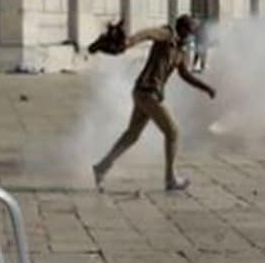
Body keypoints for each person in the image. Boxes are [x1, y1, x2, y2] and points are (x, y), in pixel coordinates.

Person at [92, 14, 215, 192]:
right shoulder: (166, 34)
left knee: (132, 135)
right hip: (147, 93)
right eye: (190, 31)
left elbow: (185, 74)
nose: (191, 36)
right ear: (183, 29)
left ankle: (101, 167)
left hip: (146, 94)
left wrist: (206, 88)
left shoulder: (180, 51)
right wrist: (128, 42)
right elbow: (148, 34)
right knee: (173, 132)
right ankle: (170, 179)